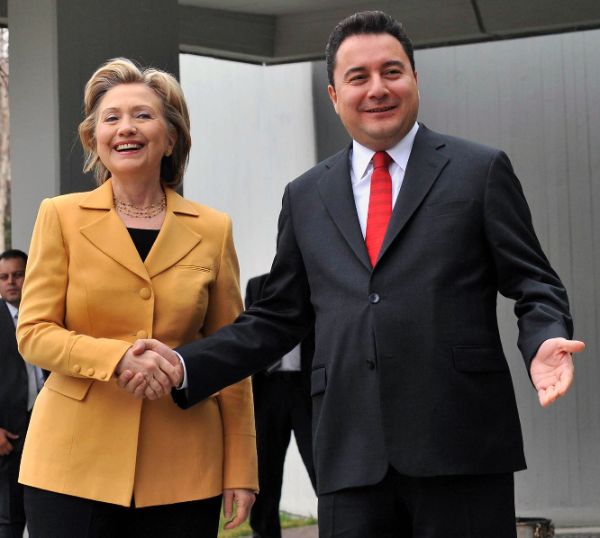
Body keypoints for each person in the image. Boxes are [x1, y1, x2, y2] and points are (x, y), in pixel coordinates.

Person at [123, 11, 585, 537]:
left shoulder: (478, 171)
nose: (377, 89)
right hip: (349, 454)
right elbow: (276, 318)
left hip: (462, 444)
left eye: (392, 71)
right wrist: (185, 363)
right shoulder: (306, 195)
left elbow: (534, 281)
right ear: (334, 95)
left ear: (415, 79)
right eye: (358, 77)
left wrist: (545, 337)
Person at [16, 57, 257, 538]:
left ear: (171, 137)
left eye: (143, 115)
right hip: (70, 463)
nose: (126, 128)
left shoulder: (213, 229)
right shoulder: (59, 216)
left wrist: (241, 469)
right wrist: (117, 356)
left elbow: (232, 356)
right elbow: (34, 333)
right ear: (94, 138)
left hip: (186, 467)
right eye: (112, 118)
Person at [245, 274, 316, 538]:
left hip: (305, 387)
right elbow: (250, 330)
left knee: (318, 460)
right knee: (265, 467)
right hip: (268, 387)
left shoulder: (315, 282)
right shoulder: (257, 286)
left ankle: (336, 524)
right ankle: (262, 532)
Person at [0, 249, 43, 538]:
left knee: (45, 511)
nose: (11, 282)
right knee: (10, 517)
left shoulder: (47, 315)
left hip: (46, 427)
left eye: (18, 274)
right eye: (4, 277)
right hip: (9, 433)